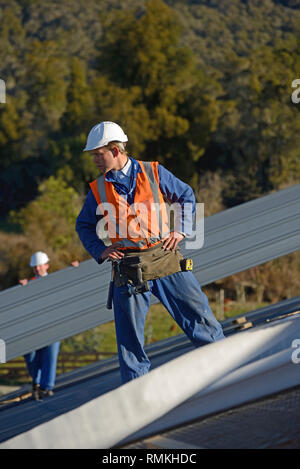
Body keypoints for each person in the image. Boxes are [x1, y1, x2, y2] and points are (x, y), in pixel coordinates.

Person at [76, 121, 225, 384]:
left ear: (115, 149)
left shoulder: (153, 171)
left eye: (98, 154)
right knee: (129, 340)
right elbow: (84, 225)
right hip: (128, 267)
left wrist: (180, 230)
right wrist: (101, 250)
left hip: (165, 256)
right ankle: (137, 393)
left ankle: (226, 370)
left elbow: (186, 196)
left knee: (199, 318)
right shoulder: (98, 189)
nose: (95, 160)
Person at [20, 251, 60, 400]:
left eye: (39, 265)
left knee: (50, 355)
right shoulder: (29, 283)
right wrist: (22, 287)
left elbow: (67, 286)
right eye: (34, 267)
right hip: (33, 328)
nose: (37, 269)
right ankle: (37, 382)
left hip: (52, 326)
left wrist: (75, 269)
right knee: (30, 355)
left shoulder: (55, 281)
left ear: (47, 265)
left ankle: (46, 387)